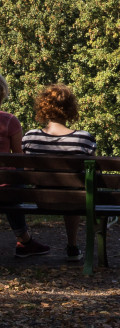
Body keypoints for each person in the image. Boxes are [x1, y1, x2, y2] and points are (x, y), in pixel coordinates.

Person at [22, 84, 97, 262]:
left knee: (69, 194)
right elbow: (94, 174)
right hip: (74, 202)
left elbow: (27, 172)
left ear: (43, 107)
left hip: (42, 200)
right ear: (71, 109)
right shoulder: (83, 139)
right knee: (73, 194)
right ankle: (72, 246)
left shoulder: (30, 137)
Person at [0, 74, 50, 259]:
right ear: (3, 93)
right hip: (4, 190)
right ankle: (24, 241)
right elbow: (19, 159)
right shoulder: (9, 121)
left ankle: (25, 240)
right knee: (12, 183)